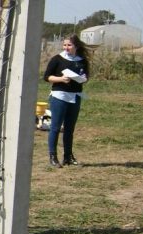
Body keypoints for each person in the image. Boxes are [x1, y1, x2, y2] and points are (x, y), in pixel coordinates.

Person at [43, 34, 89, 168]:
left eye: (69, 45)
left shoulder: (82, 60)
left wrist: (83, 78)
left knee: (70, 128)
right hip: (59, 96)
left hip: (75, 96)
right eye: (65, 45)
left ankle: (68, 156)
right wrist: (61, 79)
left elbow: (85, 76)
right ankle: (53, 156)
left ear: (76, 46)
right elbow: (47, 77)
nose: (66, 47)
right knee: (55, 127)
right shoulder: (57, 59)